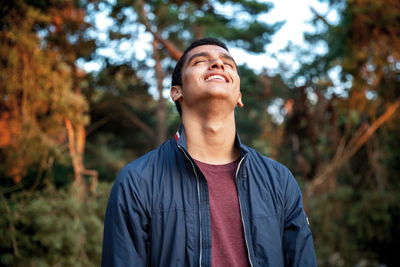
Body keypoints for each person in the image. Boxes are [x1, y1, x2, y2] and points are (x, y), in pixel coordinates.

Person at [101, 37, 317, 267]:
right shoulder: (137, 182)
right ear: (176, 92)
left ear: (239, 97)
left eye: (228, 64)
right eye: (200, 62)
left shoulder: (279, 181)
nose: (218, 64)